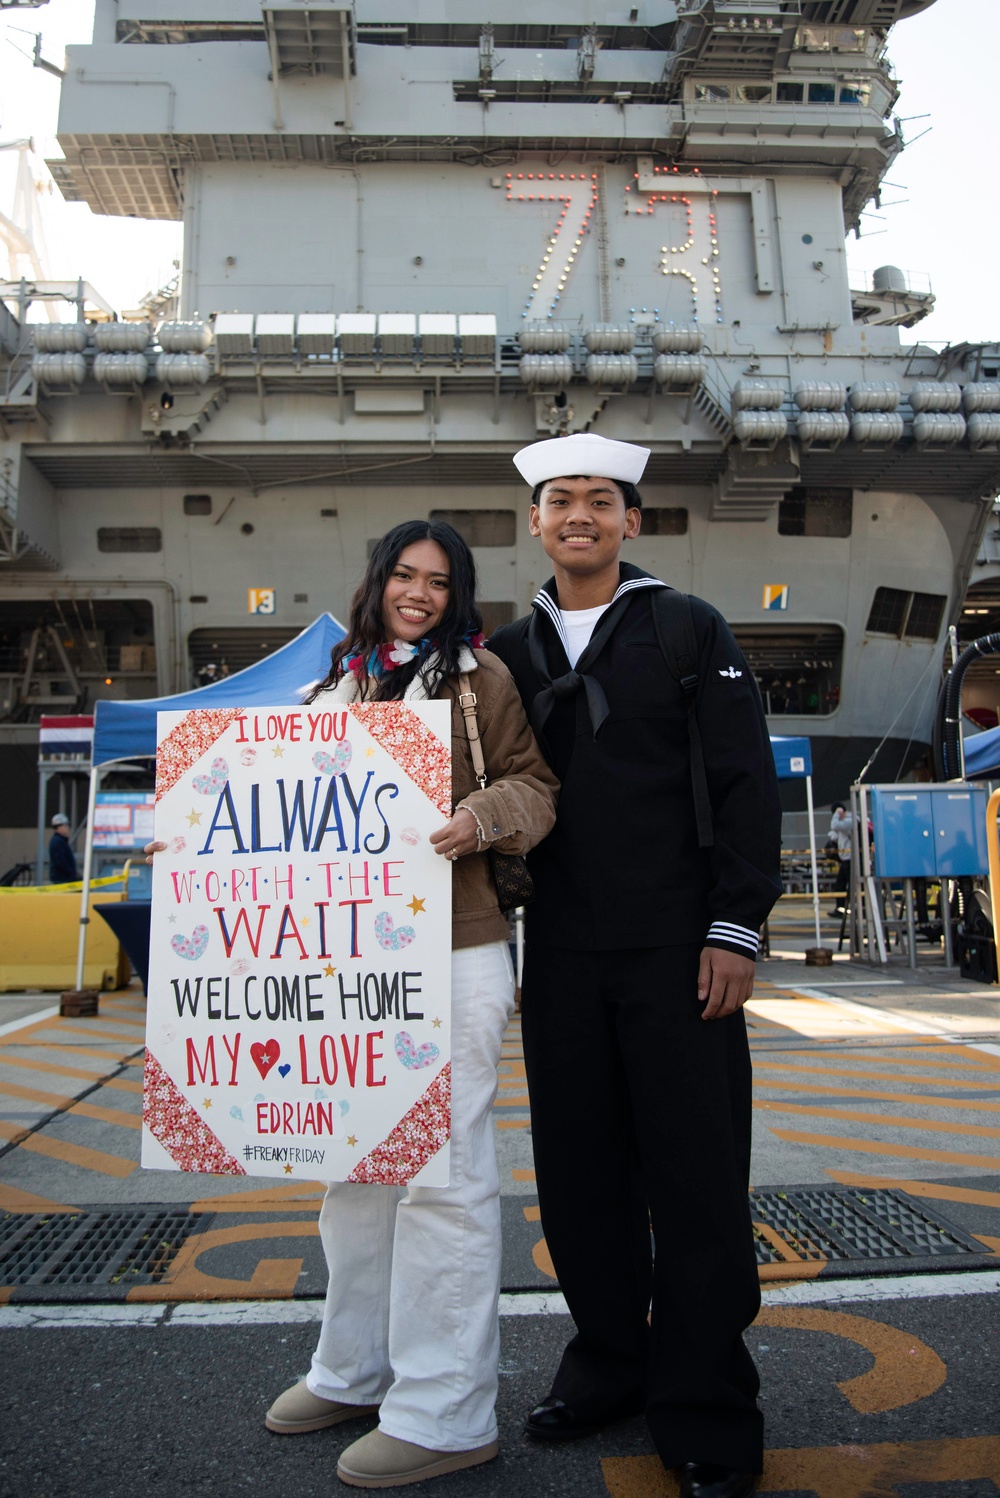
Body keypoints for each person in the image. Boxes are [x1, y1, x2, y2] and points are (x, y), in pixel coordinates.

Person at [149, 520, 558, 1490]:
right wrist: (193, 843)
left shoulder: (479, 681)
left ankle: (446, 1411)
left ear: (458, 594)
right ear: (378, 581)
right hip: (343, 967)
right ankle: (357, 1366)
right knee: (352, 1173)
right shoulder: (328, 687)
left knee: (441, 1180)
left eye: (438, 580)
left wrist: (477, 819)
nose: (418, 591)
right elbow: (262, 812)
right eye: (405, 575)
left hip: (452, 951)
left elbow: (538, 787)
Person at [487, 433, 782, 1498]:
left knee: (696, 1181)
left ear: (631, 522)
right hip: (558, 951)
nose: (579, 516)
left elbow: (745, 782)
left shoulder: (687, 628)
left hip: (678, 951)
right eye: (560, 500)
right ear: (535, 522)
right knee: (580, 1182)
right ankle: (609, 1364)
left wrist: (735, 927)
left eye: (599, 501)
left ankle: (705, 1406)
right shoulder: (506, 654)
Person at [829, 802, 853, 916]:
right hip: (846, 859)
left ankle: (852, 909)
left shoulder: (850, 820)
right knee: (840, 885)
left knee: (850, 885)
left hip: (851, 859)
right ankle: (841, 908)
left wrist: (837, 813)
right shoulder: (847, 822)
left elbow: (834, 825)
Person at [48, 813, 77, 883]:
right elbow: (61, 861)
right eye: (65, 825)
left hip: (63, 877)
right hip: (62, 878)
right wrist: (71, 873)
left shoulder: (60, 841)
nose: (67, 827)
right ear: (58, 827)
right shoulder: (58, 842)